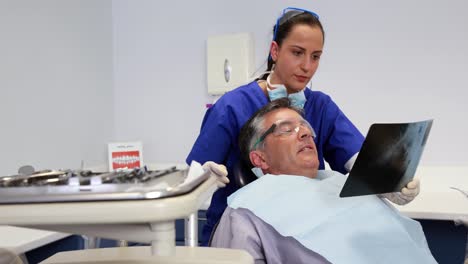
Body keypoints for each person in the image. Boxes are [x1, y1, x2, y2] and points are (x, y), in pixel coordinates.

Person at [187, 7, 419, 245]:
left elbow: (360, 160)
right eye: (297, 53)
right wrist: (203, 180)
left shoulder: (321, 106)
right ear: (275, 50)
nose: (307, 66)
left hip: (303, 231)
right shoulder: (232, 106)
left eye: (315, 56)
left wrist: (391, 181)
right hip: (241, 236)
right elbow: (189, 183)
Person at [210, 98, 436, 264]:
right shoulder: (246, 212)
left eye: (306, 128)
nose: (304, 133)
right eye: (286, 130)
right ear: (260, 158)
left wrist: (389, 180)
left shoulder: (339, 184)